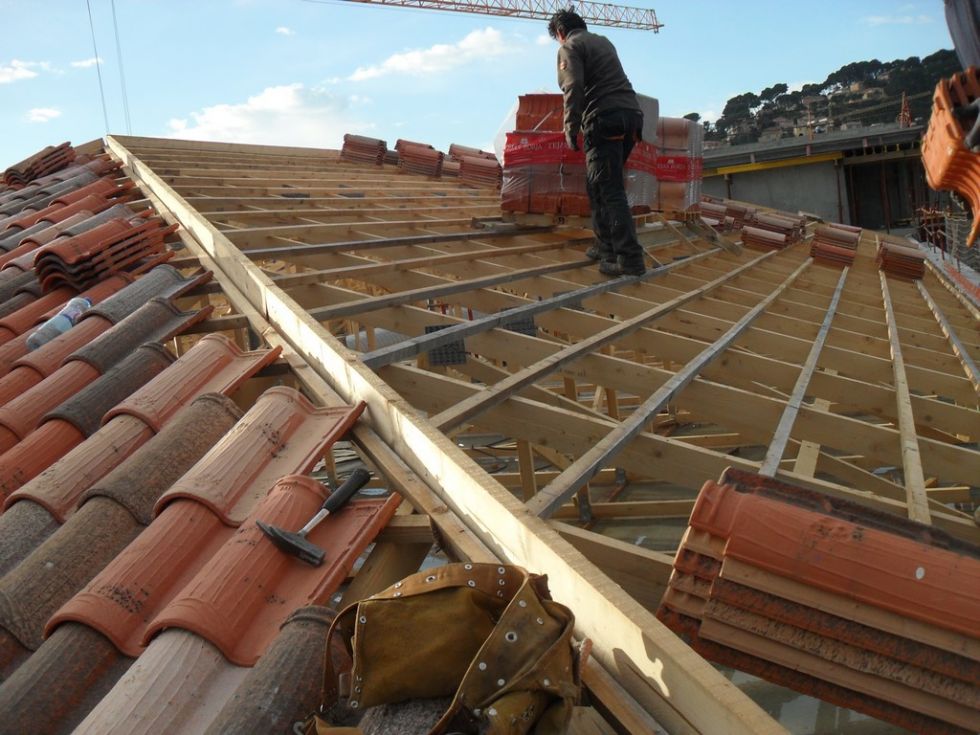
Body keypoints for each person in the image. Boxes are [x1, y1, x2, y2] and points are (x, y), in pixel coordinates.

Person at [548, 9, 646, 277]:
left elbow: (573, 86)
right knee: (597, 186)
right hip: (631, 117)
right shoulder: (603, 41)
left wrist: (570, 127)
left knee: (609, 189)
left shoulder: (570, 46)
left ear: (559, 32)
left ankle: (630, 260)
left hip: (604, 119)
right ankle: (605, 246)